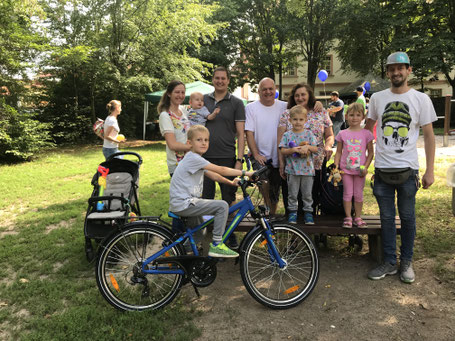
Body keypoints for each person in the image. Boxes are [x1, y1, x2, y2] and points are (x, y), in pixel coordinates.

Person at [365, 51, 436, 283]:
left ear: (409, 70)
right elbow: (368, 128)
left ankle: (406, 261)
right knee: (386, 218)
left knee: (407, 218)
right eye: (392, 69)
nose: (396, 72)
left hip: (408, 172)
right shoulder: (377, 98)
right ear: (387, 72)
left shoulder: (421, 99)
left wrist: (430, 170)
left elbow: (429, 136)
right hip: (383, 170)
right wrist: (366, 156)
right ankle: (389, 261)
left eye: (400, 68)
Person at [169, 125, 254, 258]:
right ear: (189, 143)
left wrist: (230, 182)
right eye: (199, 140)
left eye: (206, 140)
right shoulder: (193, 158)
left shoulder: (196, 158)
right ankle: (217, 244)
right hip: (184, 203)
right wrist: (247, 173)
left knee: (199, 232)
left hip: (188, 203)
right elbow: (221, 170)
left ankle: (175, 252)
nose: (203, 143)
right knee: (222, 205)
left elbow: (214, 175)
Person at [203, 66, 246, 248]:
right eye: (217, 78)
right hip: (204, 158)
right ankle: (208, 234)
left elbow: (241, 134)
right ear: (213, 80)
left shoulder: (237, 103)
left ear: (228, 81)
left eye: (223, 78)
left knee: (228, 198)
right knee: (206, 198)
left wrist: (239, 159)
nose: (220, 81)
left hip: (228, 157)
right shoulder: (203, 100)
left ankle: (229, 234)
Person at [277, 83, 334, 218]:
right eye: (297, 95)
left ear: (309, 95)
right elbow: (280, 142)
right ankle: (292, 229)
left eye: (303, 94)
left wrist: (328, 146)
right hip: (293, 165)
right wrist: (281, 163)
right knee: (292, 194)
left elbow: (330, 135)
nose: (300, 97)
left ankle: (309, 231)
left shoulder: (320, 111)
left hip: (315, 164)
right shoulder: (287, 114)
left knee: (312, 196)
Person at [245, 78, 287, 216]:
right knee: (264, 183)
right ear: (259, 91)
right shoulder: (251, 108)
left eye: (271, 89)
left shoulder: (285, 106)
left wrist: (317, 103)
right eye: (264, 89)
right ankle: (268, 209)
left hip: (280, 155)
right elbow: (249, 133)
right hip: (261, 155)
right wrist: (256, 154)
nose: (268, 92)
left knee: (275, 191)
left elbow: (304, 107)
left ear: (275, 90)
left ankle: (271, 216)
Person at [334, 103, 374, 228]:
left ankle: (358, 216)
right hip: (345, 170)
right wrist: (335, 167)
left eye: (358, 115)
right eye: (351, 115)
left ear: (363, 117)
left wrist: (365, 167)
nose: (354, 118)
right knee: (347, 193)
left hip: (360, 172)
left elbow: (371, 153)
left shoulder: (366, 134)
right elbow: (339, 152)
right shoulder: (342, 133)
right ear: (346, 116)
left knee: (358, 194)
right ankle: (348, 217)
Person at [279, 105, 318, 224]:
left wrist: (307, 147)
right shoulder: (287, 135)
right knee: (292, 194)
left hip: (307, 171)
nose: (298, 122)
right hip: (292, 170)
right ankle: (292, 213)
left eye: (301, 119)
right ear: (290, 120)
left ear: (306, 120)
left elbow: (316, 149)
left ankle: (308, 213)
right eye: (295, 119)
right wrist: (294, 150)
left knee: (307, 194)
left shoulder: (309, 134)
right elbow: (283, 150)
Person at [158, 80, 191, 176]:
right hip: (177, 164)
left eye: (183, 92)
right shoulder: (165, 115)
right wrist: (193, 148)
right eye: (177, 92)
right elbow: (172, 144)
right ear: (169, 93)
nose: (180, 95)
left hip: (189, 160)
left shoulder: (183, 110)